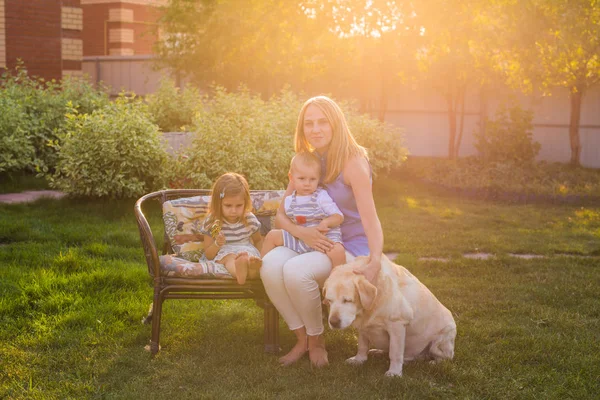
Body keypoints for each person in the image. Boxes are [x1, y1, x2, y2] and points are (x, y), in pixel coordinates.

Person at [260, 96, 384, 367]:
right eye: (309, 124)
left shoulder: (354, 164)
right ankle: (302, 337)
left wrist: (375, 259)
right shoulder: (307, 163)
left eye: (322, 122)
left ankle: (317, 341)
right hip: (311, 238)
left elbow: (371, 218)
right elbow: (280, 214)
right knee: (270, 266)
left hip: (347, 246)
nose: (315, 129)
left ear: (336, 123)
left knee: (296, 272)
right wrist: (302, 234)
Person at [260, 151, 346, 267]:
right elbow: (283, 223)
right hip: (301, 238)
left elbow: (339, 216)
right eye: (302, 178)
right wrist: (295, 232)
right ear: (291, 178)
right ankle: (259, 267)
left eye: (312, 179)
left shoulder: (321, 196)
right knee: (272, 235)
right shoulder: (290, 200)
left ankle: (339, 277)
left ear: (318, 179)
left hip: (323, 238)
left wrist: (326, 222)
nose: (307, 183)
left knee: (338, 251)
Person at [202, 172, 263, 285]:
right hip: (225, 251)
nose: (233, 211)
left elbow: (258, 240)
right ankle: (239, 272)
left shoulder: (249, 219)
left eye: (239, 206)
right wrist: (217, 244)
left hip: (246, 250)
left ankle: (252, 268)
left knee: (250, 258)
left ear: (245, 203)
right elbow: (208, 254)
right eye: (228, 206)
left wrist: (259, 256)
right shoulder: (212, 222)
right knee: (230, 258)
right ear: (218, 203)